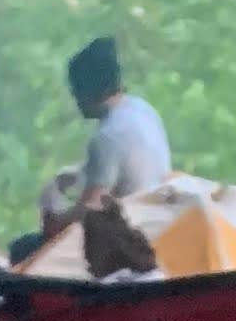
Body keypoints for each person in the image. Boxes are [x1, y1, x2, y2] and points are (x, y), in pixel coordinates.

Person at [67, 36, 169, 207]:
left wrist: (56, 221)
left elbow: (90, 209)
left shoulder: (107, 136)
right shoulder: (143, 110)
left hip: (129, 227)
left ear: (87, 90)